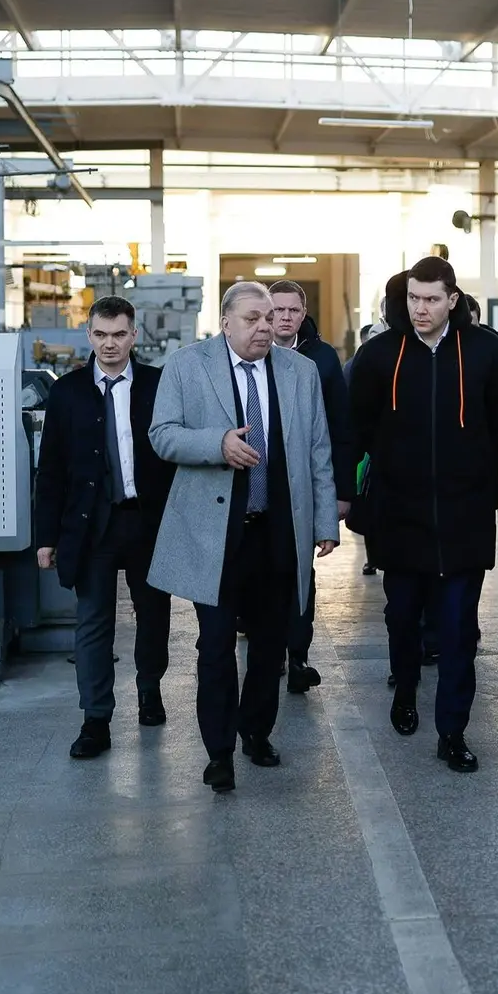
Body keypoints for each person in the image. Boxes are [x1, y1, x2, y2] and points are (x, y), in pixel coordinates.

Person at [147, 281, 340, 794]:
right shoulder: (187, 366)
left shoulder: (300, 372)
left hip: (277, 532)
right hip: (216, 535)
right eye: (253, 318)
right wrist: (217, 444)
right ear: (226, 322)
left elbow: (318, 449)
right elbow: (162, 434)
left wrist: (325, 522)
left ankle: (256, 731)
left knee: (270, 645)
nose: (264, 327)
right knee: (214, 646)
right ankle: (218, 753)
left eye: (270, 317)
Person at [349, 256, 498, 773]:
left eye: (430, 299)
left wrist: (472, 471)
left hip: (465, 517)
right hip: (399, 514)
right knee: (402, 618)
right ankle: (405, 689)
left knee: (458, 629)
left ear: (452, 300)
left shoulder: (487, 351)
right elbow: (358, 424)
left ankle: (452, 732)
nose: (419, 309)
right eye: (412, 299)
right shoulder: (380, 354)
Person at [34, 296, 176, 759]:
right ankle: (95, 719)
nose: (109, 344)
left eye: (118, 335)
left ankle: (149, 688)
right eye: (100, 335)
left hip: (147, 521)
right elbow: (51, 470)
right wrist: (46, 537)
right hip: (91, 524)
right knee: (93, 622)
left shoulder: (159, 385)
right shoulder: (67, 392)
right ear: (88, 335)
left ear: (134, 335)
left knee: (153, 614)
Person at [268, 279, 357, 693]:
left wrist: (341, 493)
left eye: (293, 310)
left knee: (301, 571)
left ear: (304, 314)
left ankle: (298, 655)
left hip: (303, 484)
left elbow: (339, 428)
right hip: (256, 482)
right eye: (278, 309)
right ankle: (267, 647)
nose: (285, 317)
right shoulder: (248, 351)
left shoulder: (322, 359)